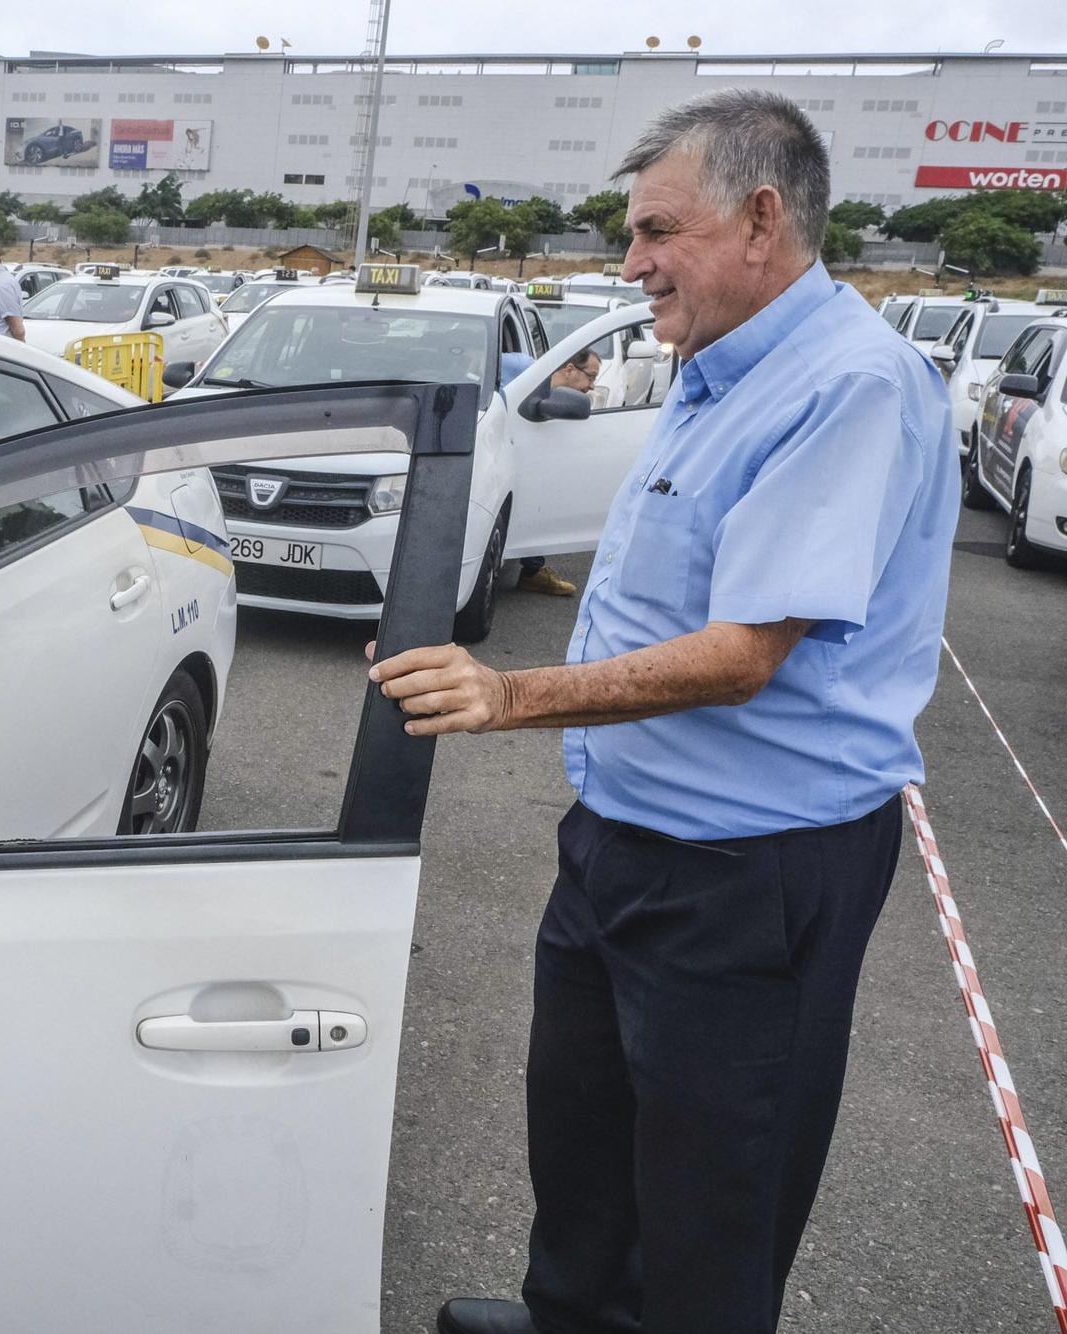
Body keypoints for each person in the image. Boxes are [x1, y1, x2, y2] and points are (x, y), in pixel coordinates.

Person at [370, 88, 958, 1334]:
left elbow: (745, 652)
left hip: (745, 875)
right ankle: (574, 1312)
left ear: (758, 219)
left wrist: (508, 691)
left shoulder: (847, 383)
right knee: (582, 1153)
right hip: (620, 845)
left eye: (652, 231)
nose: (627, 262)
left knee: (710, 1207)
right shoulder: (712, 365)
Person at [515, 349, 603, 597]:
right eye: (591, 377)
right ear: (569, 369)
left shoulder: (560, 399)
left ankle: (533, 571)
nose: (592, 386)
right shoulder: (523, 370)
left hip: (531, 465)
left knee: (542, 499)